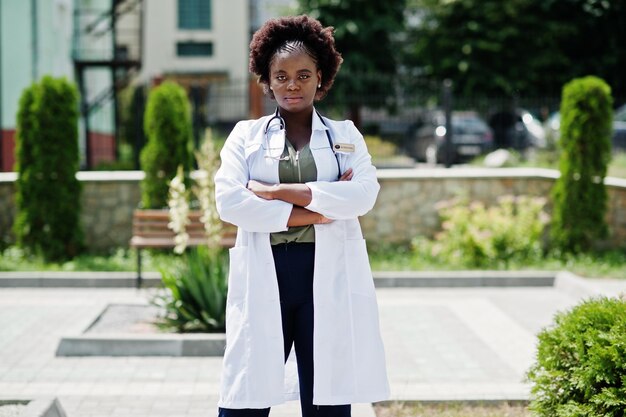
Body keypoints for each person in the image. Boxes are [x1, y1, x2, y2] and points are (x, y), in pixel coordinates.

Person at [214, 15, 389, 417]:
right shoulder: (245, 136)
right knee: (246, 395)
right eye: (282, 75)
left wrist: (275, 193)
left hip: (326, 274)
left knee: (327, 397)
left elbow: (363, 195)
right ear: (267, 79)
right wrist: (315, 212)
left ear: (320, 77)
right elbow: (230, 202)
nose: (292, 84)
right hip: (267, 271)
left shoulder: (345, 135)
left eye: (303, 74)